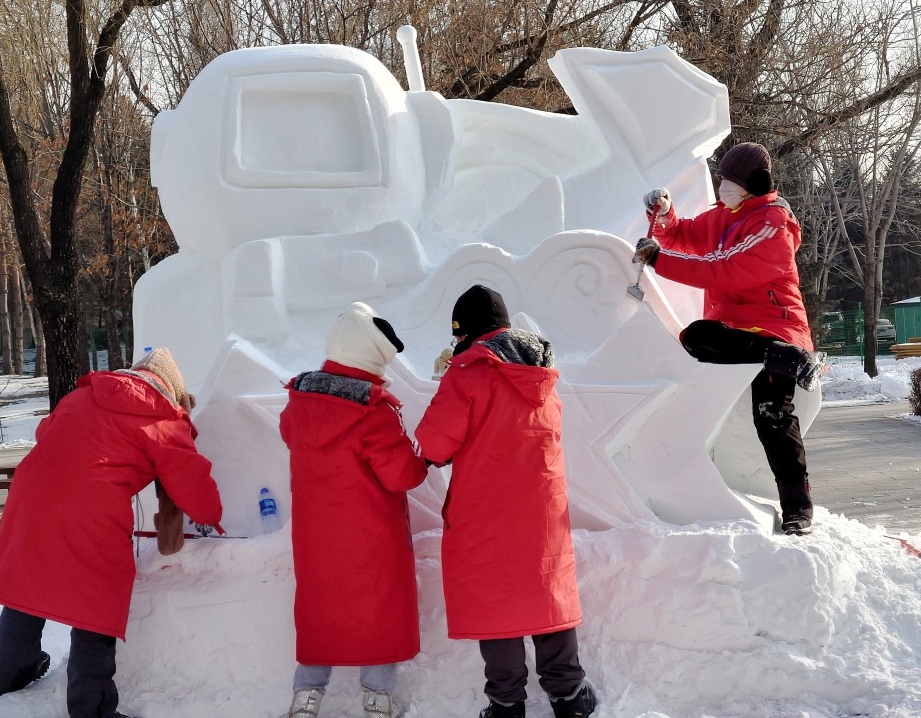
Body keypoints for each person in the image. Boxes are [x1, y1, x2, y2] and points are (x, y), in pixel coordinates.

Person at [0, 347, 224, 718]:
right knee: (97, 600)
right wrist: (213, 516)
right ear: (171, 389)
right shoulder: (163, 417)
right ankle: (91, 707)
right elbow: (191, 480)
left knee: (27, 580)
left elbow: (46, 431)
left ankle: (11, 677)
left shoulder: (81, 395)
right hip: (91, 508)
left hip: (30, 495)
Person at [415, 285, 597, 718]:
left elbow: (433, 446)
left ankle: (506, 703)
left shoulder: (468, 373)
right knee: (545, 590)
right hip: (542, 509)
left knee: (496, 603)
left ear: (465, 333)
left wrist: (451, 375)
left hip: (487, 511)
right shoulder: (542, 372)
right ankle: (570, 694)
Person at [633, 141, 819, 536]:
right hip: (737, 336)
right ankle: (780, 357)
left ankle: (798, 509)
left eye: (729, 181)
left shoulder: (773, 224)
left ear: (754, 183)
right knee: (695, 337)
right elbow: (683, 235)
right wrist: (665, 216)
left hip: (776, 328)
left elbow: (725, 269)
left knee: (772, 416)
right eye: (721, 180)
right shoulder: (724, 216)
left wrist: (660, 261)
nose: (722, 187)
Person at [278, 302, 429, 718]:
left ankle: (306, 697)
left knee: (319, 607)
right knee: (378, 609)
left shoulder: (299, 402)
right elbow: (403, 475)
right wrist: (425, 454)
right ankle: (377, 699)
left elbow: (290, 434)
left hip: (315, 536)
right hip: (371, 536)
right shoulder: (373, 411)